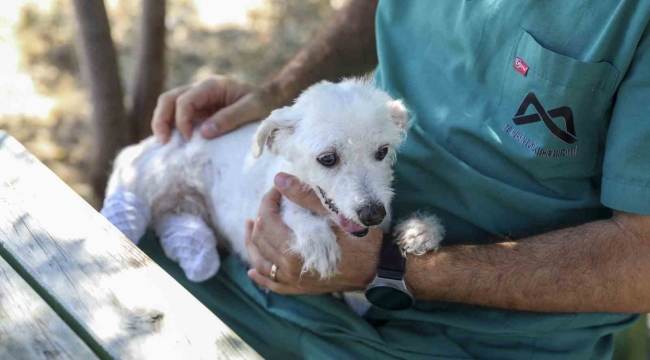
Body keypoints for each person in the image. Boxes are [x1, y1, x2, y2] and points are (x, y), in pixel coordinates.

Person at [139, 0, 650, 359]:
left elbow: (642, 262)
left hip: (472, 339)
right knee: (116, 264)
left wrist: (389, 270)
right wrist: (282, 95)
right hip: (293, 276)